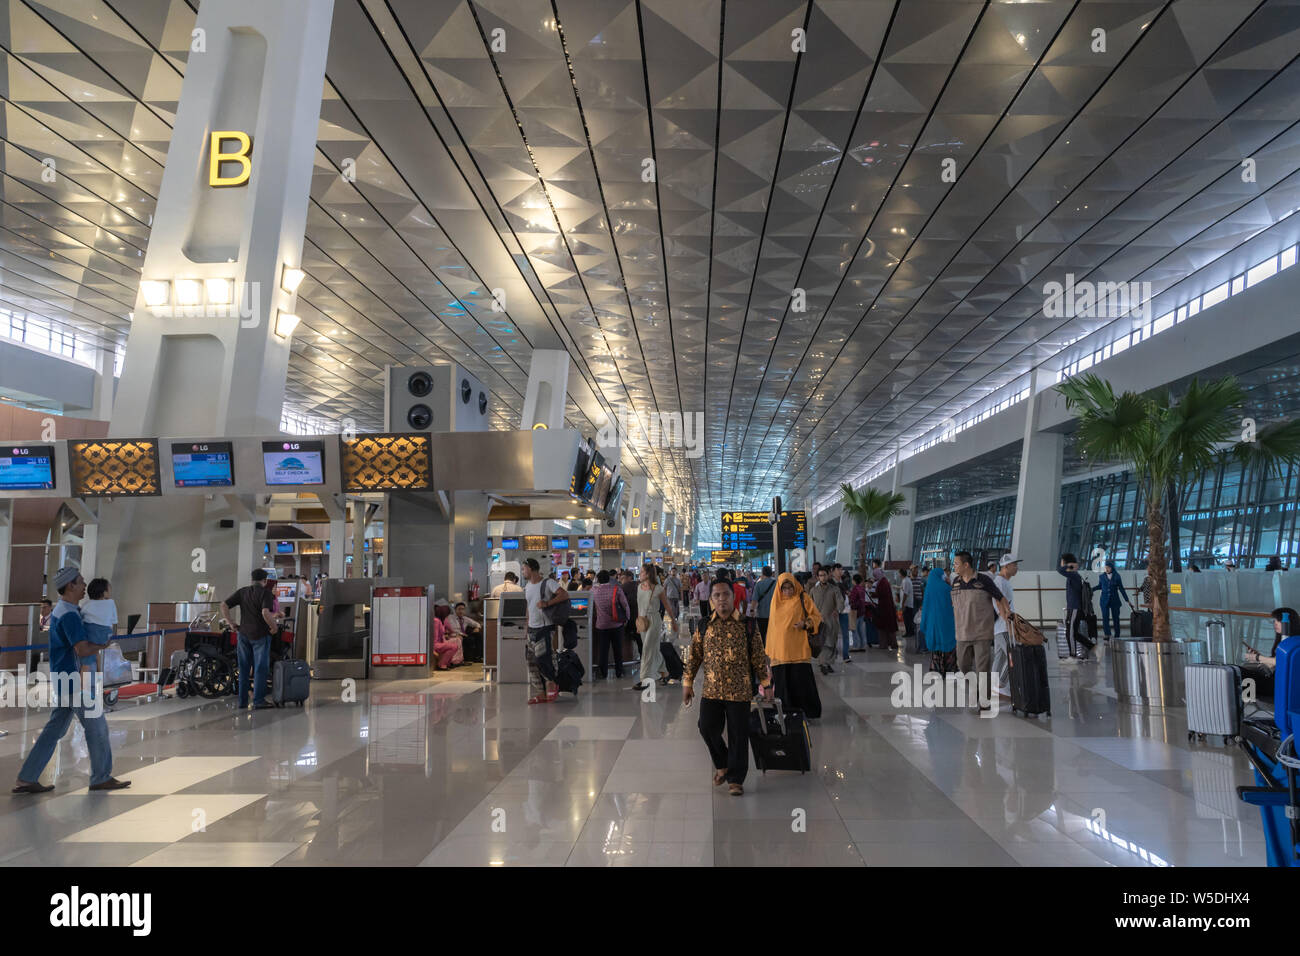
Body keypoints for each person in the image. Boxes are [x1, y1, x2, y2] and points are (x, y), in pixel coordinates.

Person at [12, 568, 130, 793]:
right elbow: (81, 647)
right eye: (81, 582)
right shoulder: (69, 614)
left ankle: (27, 777)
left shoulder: (66, 610)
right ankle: (100, 777)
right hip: (76, 679)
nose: (85, 585)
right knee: (97, 727)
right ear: (70, 586)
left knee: (54, 729)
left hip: (64, 677)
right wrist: (103, 645)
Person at [684, 578, 771, 797]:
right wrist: (688, 682)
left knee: (738, 734)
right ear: (711, 599)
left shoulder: (748, 624)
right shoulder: (704, 625)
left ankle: (735, 779)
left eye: (725, 594)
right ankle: (722, 764)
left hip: (739, 690)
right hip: (711, 689)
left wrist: (766, 683)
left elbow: (759, 657)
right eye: (717, 595)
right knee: (706, 726)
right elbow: (694, 656)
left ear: (734, 597)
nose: (721, 599)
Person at [950, 551, 1009, 711]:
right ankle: (977, 690)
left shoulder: (984, 580)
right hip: (962, 633)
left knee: (983, 669)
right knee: (963, 666)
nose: (954, 566)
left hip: (982, 633)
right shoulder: (955, 582)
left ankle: (984, 701)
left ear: (966, 565)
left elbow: (1000, 598)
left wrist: (1006, 616)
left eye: (956, 563)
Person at [764, 572, 823, 719]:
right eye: (784, 589)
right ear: (780, 589)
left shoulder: (803, 598)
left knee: (801, 685)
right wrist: (770, 652)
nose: (788, 591)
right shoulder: (775, 602)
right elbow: (772, 628)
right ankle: (785, 714)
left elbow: (817, 617)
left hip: (798, 650)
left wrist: (805, 623)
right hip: (780, 653)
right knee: (783, 686)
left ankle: (805, 714)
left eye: (790, 587)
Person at [220, 568, 279, 710]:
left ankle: (242, 701)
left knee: (244, 668)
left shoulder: (243, 591)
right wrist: (274, 627)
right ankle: (258, 701)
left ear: (252, 580)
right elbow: (265, 612)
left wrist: (230, 622)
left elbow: (223, 605)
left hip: (243, 634)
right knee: (260, 668)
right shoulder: (266, 593)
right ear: (265, 581)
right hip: (260, 635)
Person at [521, 558, 564, 704]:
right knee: (531, 660)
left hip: (545, 627)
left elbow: (564, 594)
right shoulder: (527, 586)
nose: (522, 571)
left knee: (543, 658)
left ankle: (551, 683)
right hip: (532, 628)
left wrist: (547, 603)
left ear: (531, 568)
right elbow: (529, 607)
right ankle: (541, 692)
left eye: (524, 568)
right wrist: (527, 627)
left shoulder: (548, 583)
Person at [1242, 607, 1298, 699]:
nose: (1275, 623)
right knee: (1239, 673)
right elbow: (1274, 664)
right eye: (1274, 621)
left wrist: (1258, 657)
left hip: (1281, 686)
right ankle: (1244, 703)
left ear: (1290, 622)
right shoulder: (1283, 640)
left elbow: (1282, 662)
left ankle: (1242, 705)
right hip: (1276, 681)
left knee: (1239, 675)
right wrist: (1258, 658)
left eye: (1279, 620)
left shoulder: (1294, 642)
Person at [632, 564, 671, 691]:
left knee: (647, 650)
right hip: (643, 620)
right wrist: (639, 622)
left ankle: (644, 680)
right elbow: (639, 606)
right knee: (653, 649)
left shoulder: (658, 588)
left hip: (654, 620)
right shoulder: (639, 587)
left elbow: (667, 605)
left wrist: (674, 622)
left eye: (642, 572)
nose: (640, 574)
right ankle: (664, 672)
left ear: (648, 574)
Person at [592, 569, 631, 679]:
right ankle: (619, 672)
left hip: (601, 625)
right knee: (618, 649)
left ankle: (603, 673)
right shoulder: (616, 589)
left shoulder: (594, 590)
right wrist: (627, 618)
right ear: (609, 578)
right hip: (616, 624)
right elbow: (625, 605)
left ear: (598, 580)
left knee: (603, 650)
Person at [991, 555, 1020, 699]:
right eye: (1014, 565)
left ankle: (992, 685)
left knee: (1001, 656)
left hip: (1001, 627)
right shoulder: (1000, 582)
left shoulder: (1004, 581)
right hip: (1003, 627)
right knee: (1014, 654)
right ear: (1006, 566)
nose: (1017, 567)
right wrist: (1007, 622)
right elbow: (998, 602)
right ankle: (1000, 685)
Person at [919, 566, 956, 674]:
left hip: (933, 625)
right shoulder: (947, 588)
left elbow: (925, 607)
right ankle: (949, 670)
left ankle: (937, 669)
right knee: (949, 648)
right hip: (947, 624)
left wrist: (924, 623)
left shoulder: (928, 589)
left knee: (936, 649)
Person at [808, 567, 844, 674]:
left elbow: (840, 602)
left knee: (831, 642)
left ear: (828, 575)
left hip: (831, 620)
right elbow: (809, 605)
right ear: (818, 577)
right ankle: (823, 663)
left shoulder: (834, 589)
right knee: (822, 643)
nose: (823, 577)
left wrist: (837, 610)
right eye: (821, 575)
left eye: (824, 575)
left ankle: (827, 663)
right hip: (818, 621)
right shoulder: (813, 590)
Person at [1057, 553, 1093, 659]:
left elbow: (1060, 570)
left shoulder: (1073, 574)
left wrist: (1070, 565)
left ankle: (1072, 656)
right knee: (1074, 633)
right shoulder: (1073, 575)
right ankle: (1094, 647)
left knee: (1070, 633)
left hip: (1074, 608)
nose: (1061, 564)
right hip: (1073, 608)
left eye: (1062, 561)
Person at [1097, 561, 1130, 641]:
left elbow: (1121, 589)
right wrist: (1090, 589)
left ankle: (1117, 634)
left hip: (1115, 600)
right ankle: (1107, 634)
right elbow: (1100, 586)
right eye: (1106, 568)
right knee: (1105, 617)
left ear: (1112, 568)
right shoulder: (1101, 576)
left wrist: (1127, 600)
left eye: (1108, 567)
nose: (1107, 569)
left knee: (1116, 618)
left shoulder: (1117, 576)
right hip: (1104, 600)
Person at [872, 567, 899, 651]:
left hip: (884, 609)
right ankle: (890, 644)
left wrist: (873, 594)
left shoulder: (882, 583)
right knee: (889, 627)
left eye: (875, 575)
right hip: (887, 608)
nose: (875, 577)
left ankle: (884, 644)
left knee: (884, 627)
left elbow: (880, 594)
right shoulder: (884, 581)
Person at [752, 566, 777, 640]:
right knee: (773, 636)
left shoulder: (759, 584)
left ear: (762, 573)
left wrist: (752, 611)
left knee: (762, 635)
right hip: (774, 614)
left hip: (761, 615)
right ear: (771, 573)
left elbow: (754, 600)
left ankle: (763, 650)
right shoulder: (777, 583)